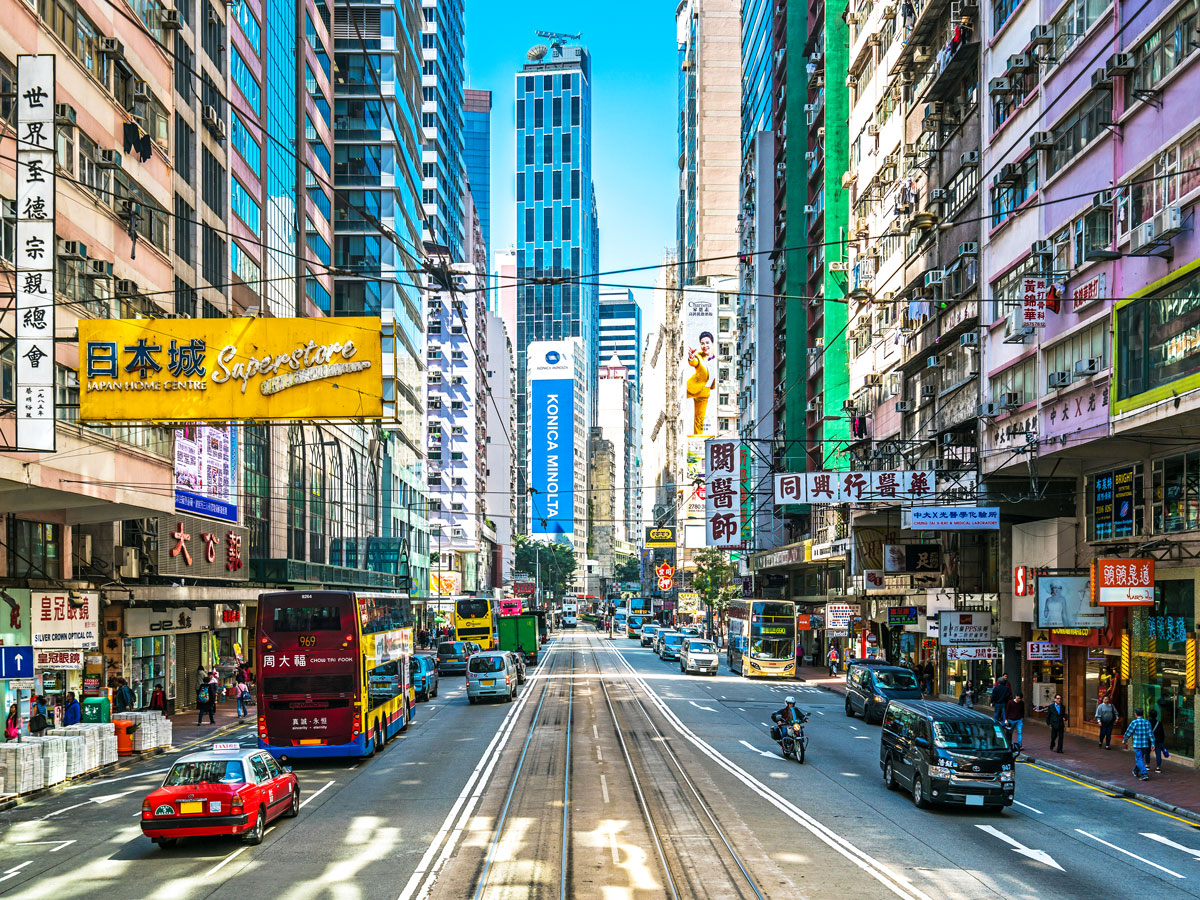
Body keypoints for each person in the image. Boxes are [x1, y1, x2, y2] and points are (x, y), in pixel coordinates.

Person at [685, 331, 717, 435]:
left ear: (712, 343)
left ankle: (698, 439)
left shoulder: (717, 359)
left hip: (704, 393)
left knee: (699, 421)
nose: (705, 346)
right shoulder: (698, 356)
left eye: (707, 343)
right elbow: (693, 362)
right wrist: (691, 357)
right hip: (692, 388)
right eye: (702, 343)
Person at [1123, 708, 1155, 781]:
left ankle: (1144, 774)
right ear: (1142, 714)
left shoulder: (1134, 722)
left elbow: (1128, 732)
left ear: (1136, 714)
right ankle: (1135, 771)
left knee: (1139, 759)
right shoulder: (1147, 722)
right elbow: (1151, 734)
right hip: (1145, 744)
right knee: (1140, 758)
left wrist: (1125, 739)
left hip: (1137, 744)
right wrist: (1153, 744)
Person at [1148, 709, 1167, 774]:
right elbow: (1162, 733)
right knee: (1158, 754)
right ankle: (1158, 767)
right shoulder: (1159, 723)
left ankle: (1147, 765)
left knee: (1147, 753)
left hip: (1149, 741)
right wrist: (1162, 741)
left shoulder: (1148, 723)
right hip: (1158, 741)